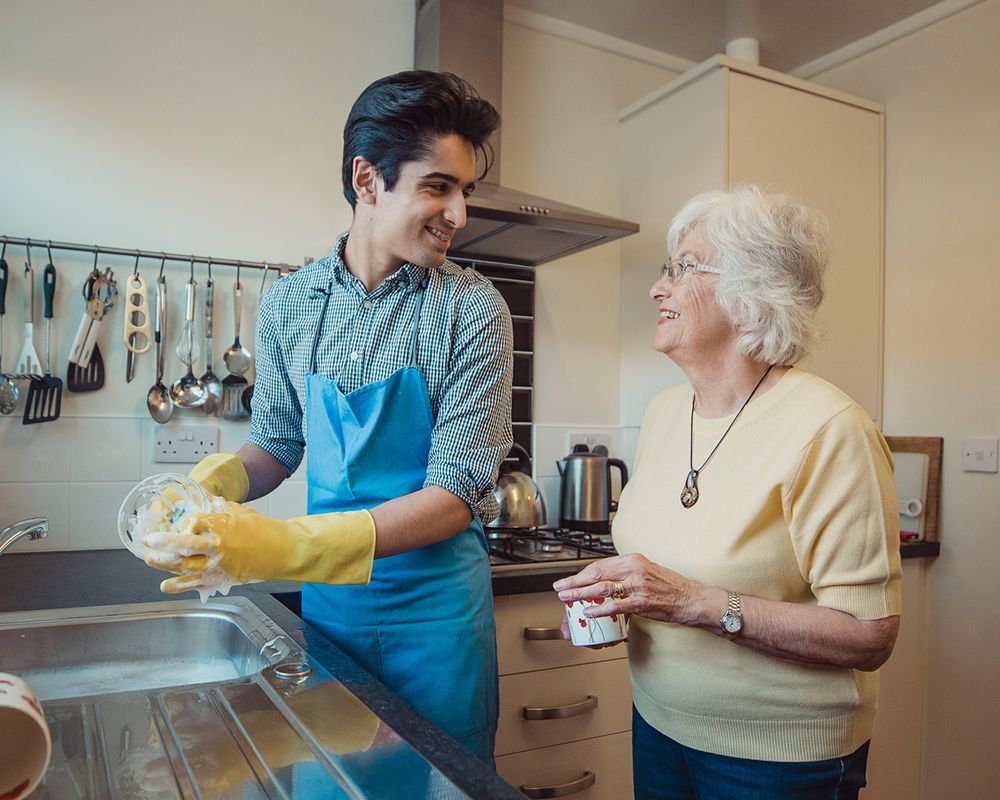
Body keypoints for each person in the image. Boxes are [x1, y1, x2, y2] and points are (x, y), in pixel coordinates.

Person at [142, 70, 513, 763]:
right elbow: (278, 443)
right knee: (334, 777)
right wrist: (213, 484)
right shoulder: (290, 305)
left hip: (437, 624)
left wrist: (287, 548)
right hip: (334, 616)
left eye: (466, 191)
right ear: (367, 180)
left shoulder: (472, 310)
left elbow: (456, 495)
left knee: (438, 780)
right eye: (438, 186)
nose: (459, 213)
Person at [553, 185, 901, 800]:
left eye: (682, 269)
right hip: (660, 724)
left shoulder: (829, 428)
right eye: (666, 269)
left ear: (751, 296)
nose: (658, 289)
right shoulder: (663, 412)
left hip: (776, 757)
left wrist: (694, 602)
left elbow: (869, 635)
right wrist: (621, 597)